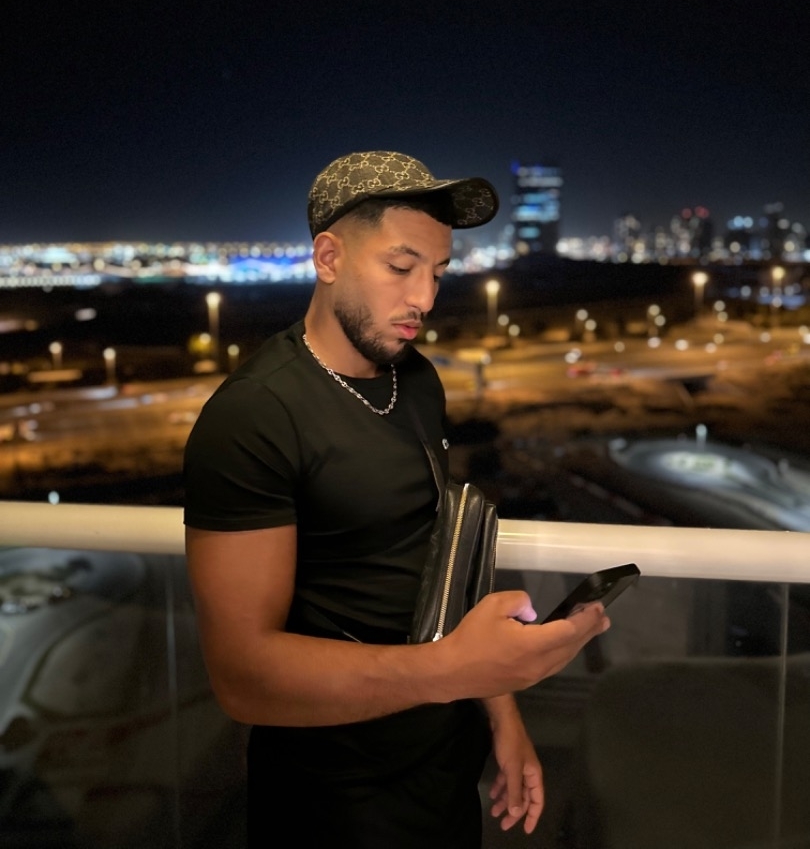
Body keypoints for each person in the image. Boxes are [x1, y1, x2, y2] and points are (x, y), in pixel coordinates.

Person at [183, 150, 609, 848]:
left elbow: (436, 563)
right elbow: (243, 679)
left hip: (444, 769)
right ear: (328, 258)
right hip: (330, 798)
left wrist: (501, 712)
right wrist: (455, 671)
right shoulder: (254, 416)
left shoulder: (415, 381)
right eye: (401, 267)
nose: (425, 299)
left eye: (438, 272)